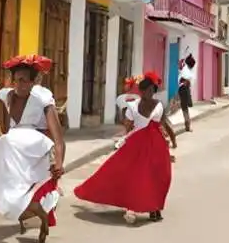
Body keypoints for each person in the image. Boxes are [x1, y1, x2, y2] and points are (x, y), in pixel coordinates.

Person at [74, 72, 177, 223]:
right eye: (148, 90)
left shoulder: (141, 106)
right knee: (147, 175)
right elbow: (139, 125)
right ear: (143, 91)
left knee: (151, 175)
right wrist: (171, 141)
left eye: (151, 90)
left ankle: (151, 207)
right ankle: (151, 208)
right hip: (146, 144)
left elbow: (154, 124)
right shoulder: (146, 106)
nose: (149, 93)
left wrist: (172, 140)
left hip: (148, 144)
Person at [0, 54, 66, 243]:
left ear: (33, 82)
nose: (20, 85)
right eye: (17, 80)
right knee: (10, 188)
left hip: (35, 144)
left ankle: (38, 211)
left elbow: (58, 138)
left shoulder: (41, 98)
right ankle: (34, 214)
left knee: (5, 142)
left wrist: (59, 163)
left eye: (24, 80)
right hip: (14, 148)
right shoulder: (7, 96)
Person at [178, 54, 195, 131]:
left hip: (184, 89)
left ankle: (187, 125)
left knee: (185, 107)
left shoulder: (185, 68)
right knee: (185, 108)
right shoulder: (186, 70)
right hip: (184, 89)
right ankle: (187, 125)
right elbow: (186, 80)